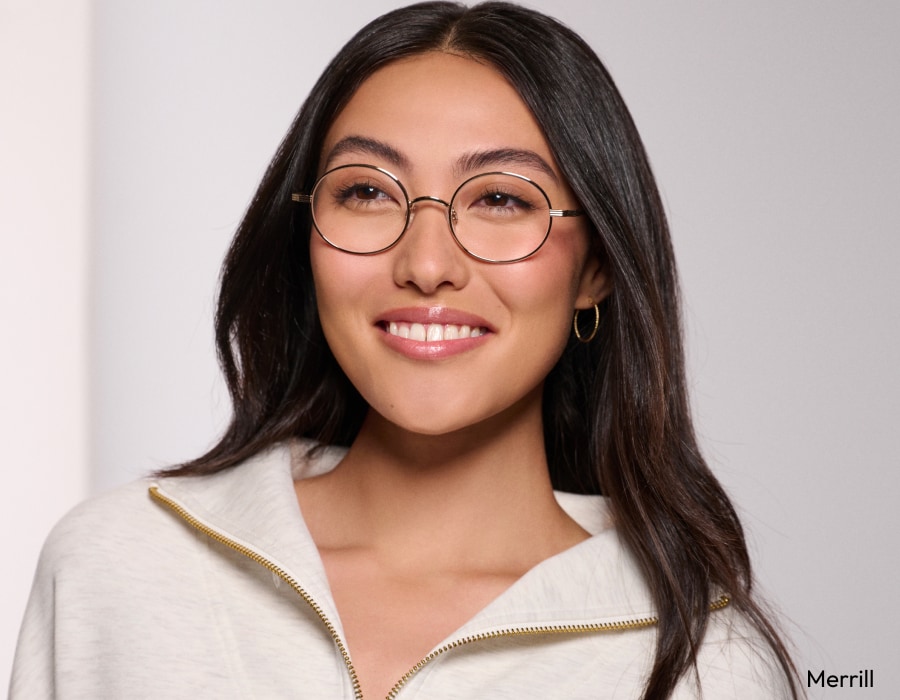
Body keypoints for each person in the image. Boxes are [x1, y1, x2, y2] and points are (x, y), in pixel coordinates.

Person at [10, 2, 801, 698]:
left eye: (499, 199)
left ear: (595, 268)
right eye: (367, 191)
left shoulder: (704, 664)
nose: (426, 265)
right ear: (305, 237)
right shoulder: (116, 570)